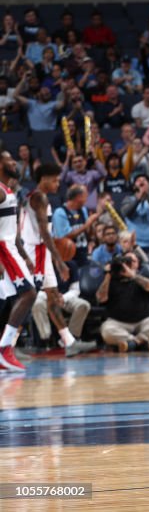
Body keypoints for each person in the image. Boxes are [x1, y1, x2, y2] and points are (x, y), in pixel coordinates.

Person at [24, 164, 94, 356]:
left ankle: (69, 342)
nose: (57, 184)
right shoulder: (39, 197)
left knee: (53, 297)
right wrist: (59, 260)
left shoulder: (38, 197)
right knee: (24, 299)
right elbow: (45, 233)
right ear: (44, 178)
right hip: (35, 251)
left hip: (41, 251)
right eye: (55, 180)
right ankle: (7, 346)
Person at [0, 152, 38, 371]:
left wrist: (24, 255)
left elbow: (11, 231)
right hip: (4, 250)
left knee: (8, 301)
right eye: (9, 160)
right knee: (28, 293)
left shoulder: (7, 190)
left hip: (11, 248)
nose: (14, 162)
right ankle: (4, 349)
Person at [96, 252, 149, 352]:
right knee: (106, 330)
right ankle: (140, 342)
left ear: (137, 264)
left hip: (142, 321)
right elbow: (100, 298)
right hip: (118, 323)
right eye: (124, 260)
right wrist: (108, 274)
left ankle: (131, 344)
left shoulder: (142, 277)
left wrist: (133, 275)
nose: (127, 264)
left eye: (131, 261)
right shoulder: (110, 279)